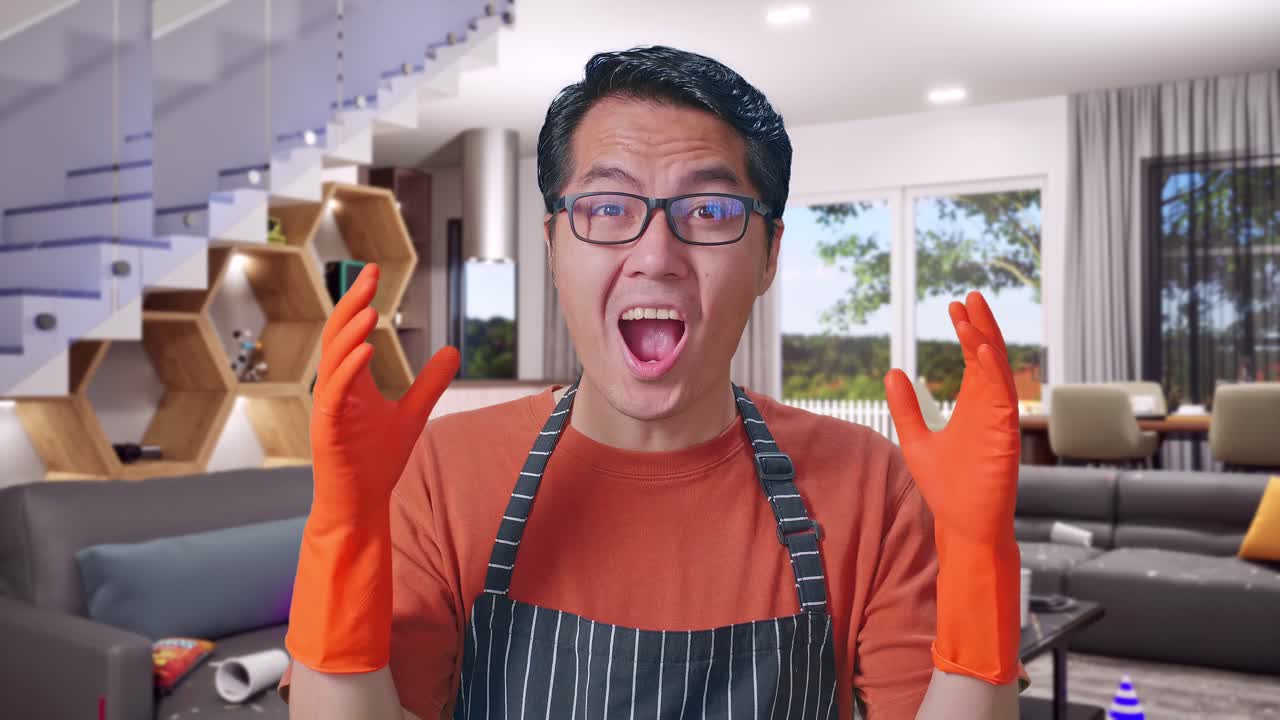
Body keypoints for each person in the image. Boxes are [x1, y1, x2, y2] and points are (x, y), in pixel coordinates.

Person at [282, 46, 1025, 719]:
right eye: (607, 207)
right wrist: (342, 533)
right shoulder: (439, 474)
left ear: (769, 257)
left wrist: (981, 556)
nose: (655, 254)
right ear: (552, 247)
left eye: (709, 209)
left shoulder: (870, 485)